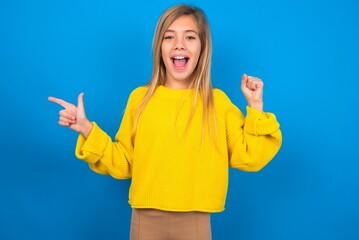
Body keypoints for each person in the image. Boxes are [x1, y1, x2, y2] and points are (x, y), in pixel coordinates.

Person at [48, 4, 282, 240]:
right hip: (144, 220)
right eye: (169, 37)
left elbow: (250, 157)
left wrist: (256, 107)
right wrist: (86, 129)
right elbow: (124, 163)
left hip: (196, 221)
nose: (179, 44)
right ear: (159, 47)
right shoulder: (140, 99)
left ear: (203, 48)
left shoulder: (217, 103)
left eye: (190, 37)